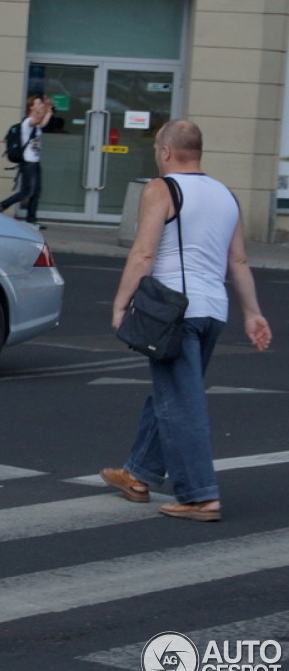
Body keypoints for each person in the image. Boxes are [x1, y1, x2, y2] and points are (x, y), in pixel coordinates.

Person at [100, 119, 272, 522]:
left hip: (173, 311)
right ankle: (138, 473)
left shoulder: (162, 188)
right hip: (212, 311)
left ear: (165, 151)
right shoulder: (226, 195)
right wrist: (252, 313)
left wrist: (121, 304)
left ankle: (199, 495)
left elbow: (143, 254)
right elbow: (239, 261)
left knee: (181, 402)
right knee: (171, 391)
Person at [0, 93, 50, 226]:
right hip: (28, 163)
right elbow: (38, 120)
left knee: (36, 192)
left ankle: (31, 220)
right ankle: (2, 205)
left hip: (35, 162)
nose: (41, 105)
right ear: (31, 107)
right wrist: (45, 110)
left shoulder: (36, 126)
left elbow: (43, 122)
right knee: (27, 191)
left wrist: (48, 110)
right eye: (38, 104)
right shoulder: (27, 123)